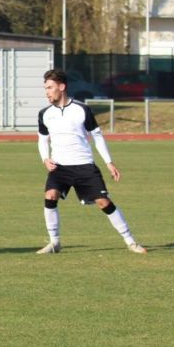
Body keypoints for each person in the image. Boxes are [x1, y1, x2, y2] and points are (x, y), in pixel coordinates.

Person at [37, 69, 146, 254]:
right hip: (59, 167)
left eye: (50, 87)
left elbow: (97, 137)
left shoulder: (81, 110)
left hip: (84, 166)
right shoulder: (44, 114)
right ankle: (54, 243)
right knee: (50, 196)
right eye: (45, 88)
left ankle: (131, 242)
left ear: (62, 87)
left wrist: (109, 162)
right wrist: (45, 159)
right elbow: (42, 139)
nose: (47, 92)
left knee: (103, 202)